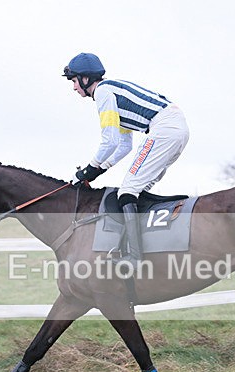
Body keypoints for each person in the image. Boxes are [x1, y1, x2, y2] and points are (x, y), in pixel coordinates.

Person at [63, 52, 190, 267]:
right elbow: (123, 145)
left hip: (164, 129)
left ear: (86, 79)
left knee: (128, 191)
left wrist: (89, 170)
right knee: (137, 190)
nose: (74, 87)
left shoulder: (103, 92)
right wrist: (101, 169)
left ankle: (134, 256)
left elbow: (109, 141)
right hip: (176, 128)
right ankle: (150, 243)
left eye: (74, 81)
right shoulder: (112, 90)